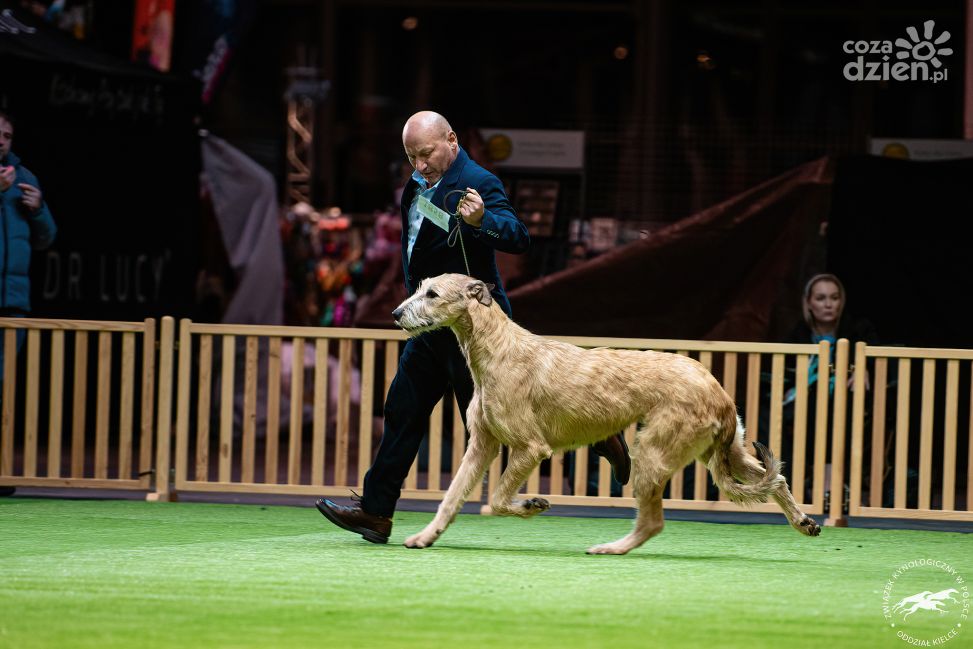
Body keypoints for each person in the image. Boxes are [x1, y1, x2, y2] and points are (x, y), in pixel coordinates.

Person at [315, 111, 630, 543]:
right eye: (411, 157)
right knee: (402, 410)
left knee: (501, 423)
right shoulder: (415, 186)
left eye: (426, 154)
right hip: (433, 325)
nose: (420, 165)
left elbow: (517, 236)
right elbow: (415, 248)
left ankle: (601, 436)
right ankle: (375, 513)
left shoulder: (479, 181)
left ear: (452, 140)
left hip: (479, 331)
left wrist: (483, 221)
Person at [0, 110, 58, 497]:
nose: (1, 141)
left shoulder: (25, 178)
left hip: (13, 303)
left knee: (2, 390)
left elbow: (46, 239)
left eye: (6, 135)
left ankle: (2, 471)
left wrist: (38, 210)